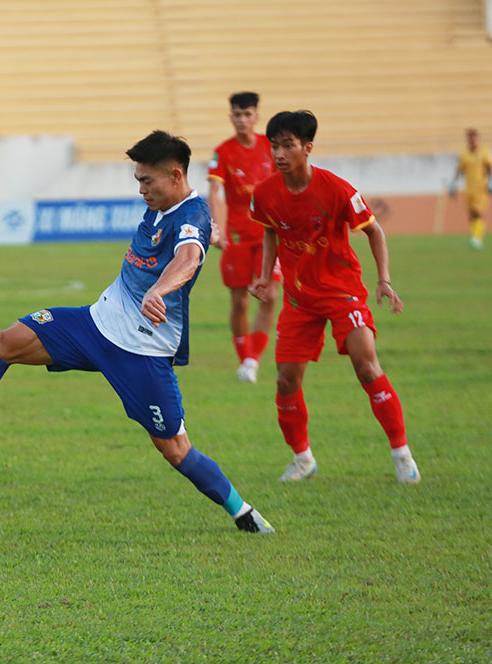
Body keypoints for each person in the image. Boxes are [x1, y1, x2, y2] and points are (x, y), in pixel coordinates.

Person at [0, 130, 275, 535]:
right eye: (138, 180)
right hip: (94, 324)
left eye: (147, 181)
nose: (140, 189)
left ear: (176, 175)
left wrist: (160, 288)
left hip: (140, 351)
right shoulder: (173, 208)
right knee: (4, 342)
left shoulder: (191, 215)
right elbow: (196, 238)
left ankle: (244, 512)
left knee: (176, 450)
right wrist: (212, 234)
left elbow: (188, 256)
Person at [249, 110, 420, 484]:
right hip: (298, 301)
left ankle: (401, 453)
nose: (279, 153)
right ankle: (303, 459)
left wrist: (384, 280)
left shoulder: (337, 189)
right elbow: (271, 233)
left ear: (307, 148)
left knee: (367, 367)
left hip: (343, 293)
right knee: (285, 381)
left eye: (287, 145)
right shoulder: (265, 193)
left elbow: (374, 232)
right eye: (274, 145)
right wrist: (265, 278)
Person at [207, 92, 279, 383]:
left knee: (270, 295)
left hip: (267, 235)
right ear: (231, 117)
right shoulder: (223, 152)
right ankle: (244, 358)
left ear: (256, 116)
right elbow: (214, 190)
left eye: (248, 114)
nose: (242, 120)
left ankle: (252, 359)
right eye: (237, 114)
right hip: (236, 236)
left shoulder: (270, 148)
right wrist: (216, 227)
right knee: (240, 302)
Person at [449, 127, 491, 249]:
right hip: (468, 189)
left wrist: (490, 181)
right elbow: (459, 170)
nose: (472, 140)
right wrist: (454, 183)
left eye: (474, 138)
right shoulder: (464, 154)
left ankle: (477, 238)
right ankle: (475, 236)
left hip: (481, 188)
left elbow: (489, 167)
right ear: (468, 139)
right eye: (470, 138)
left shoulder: (483, 153)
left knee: (478, 212)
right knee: (471, 214)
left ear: (477, 139)